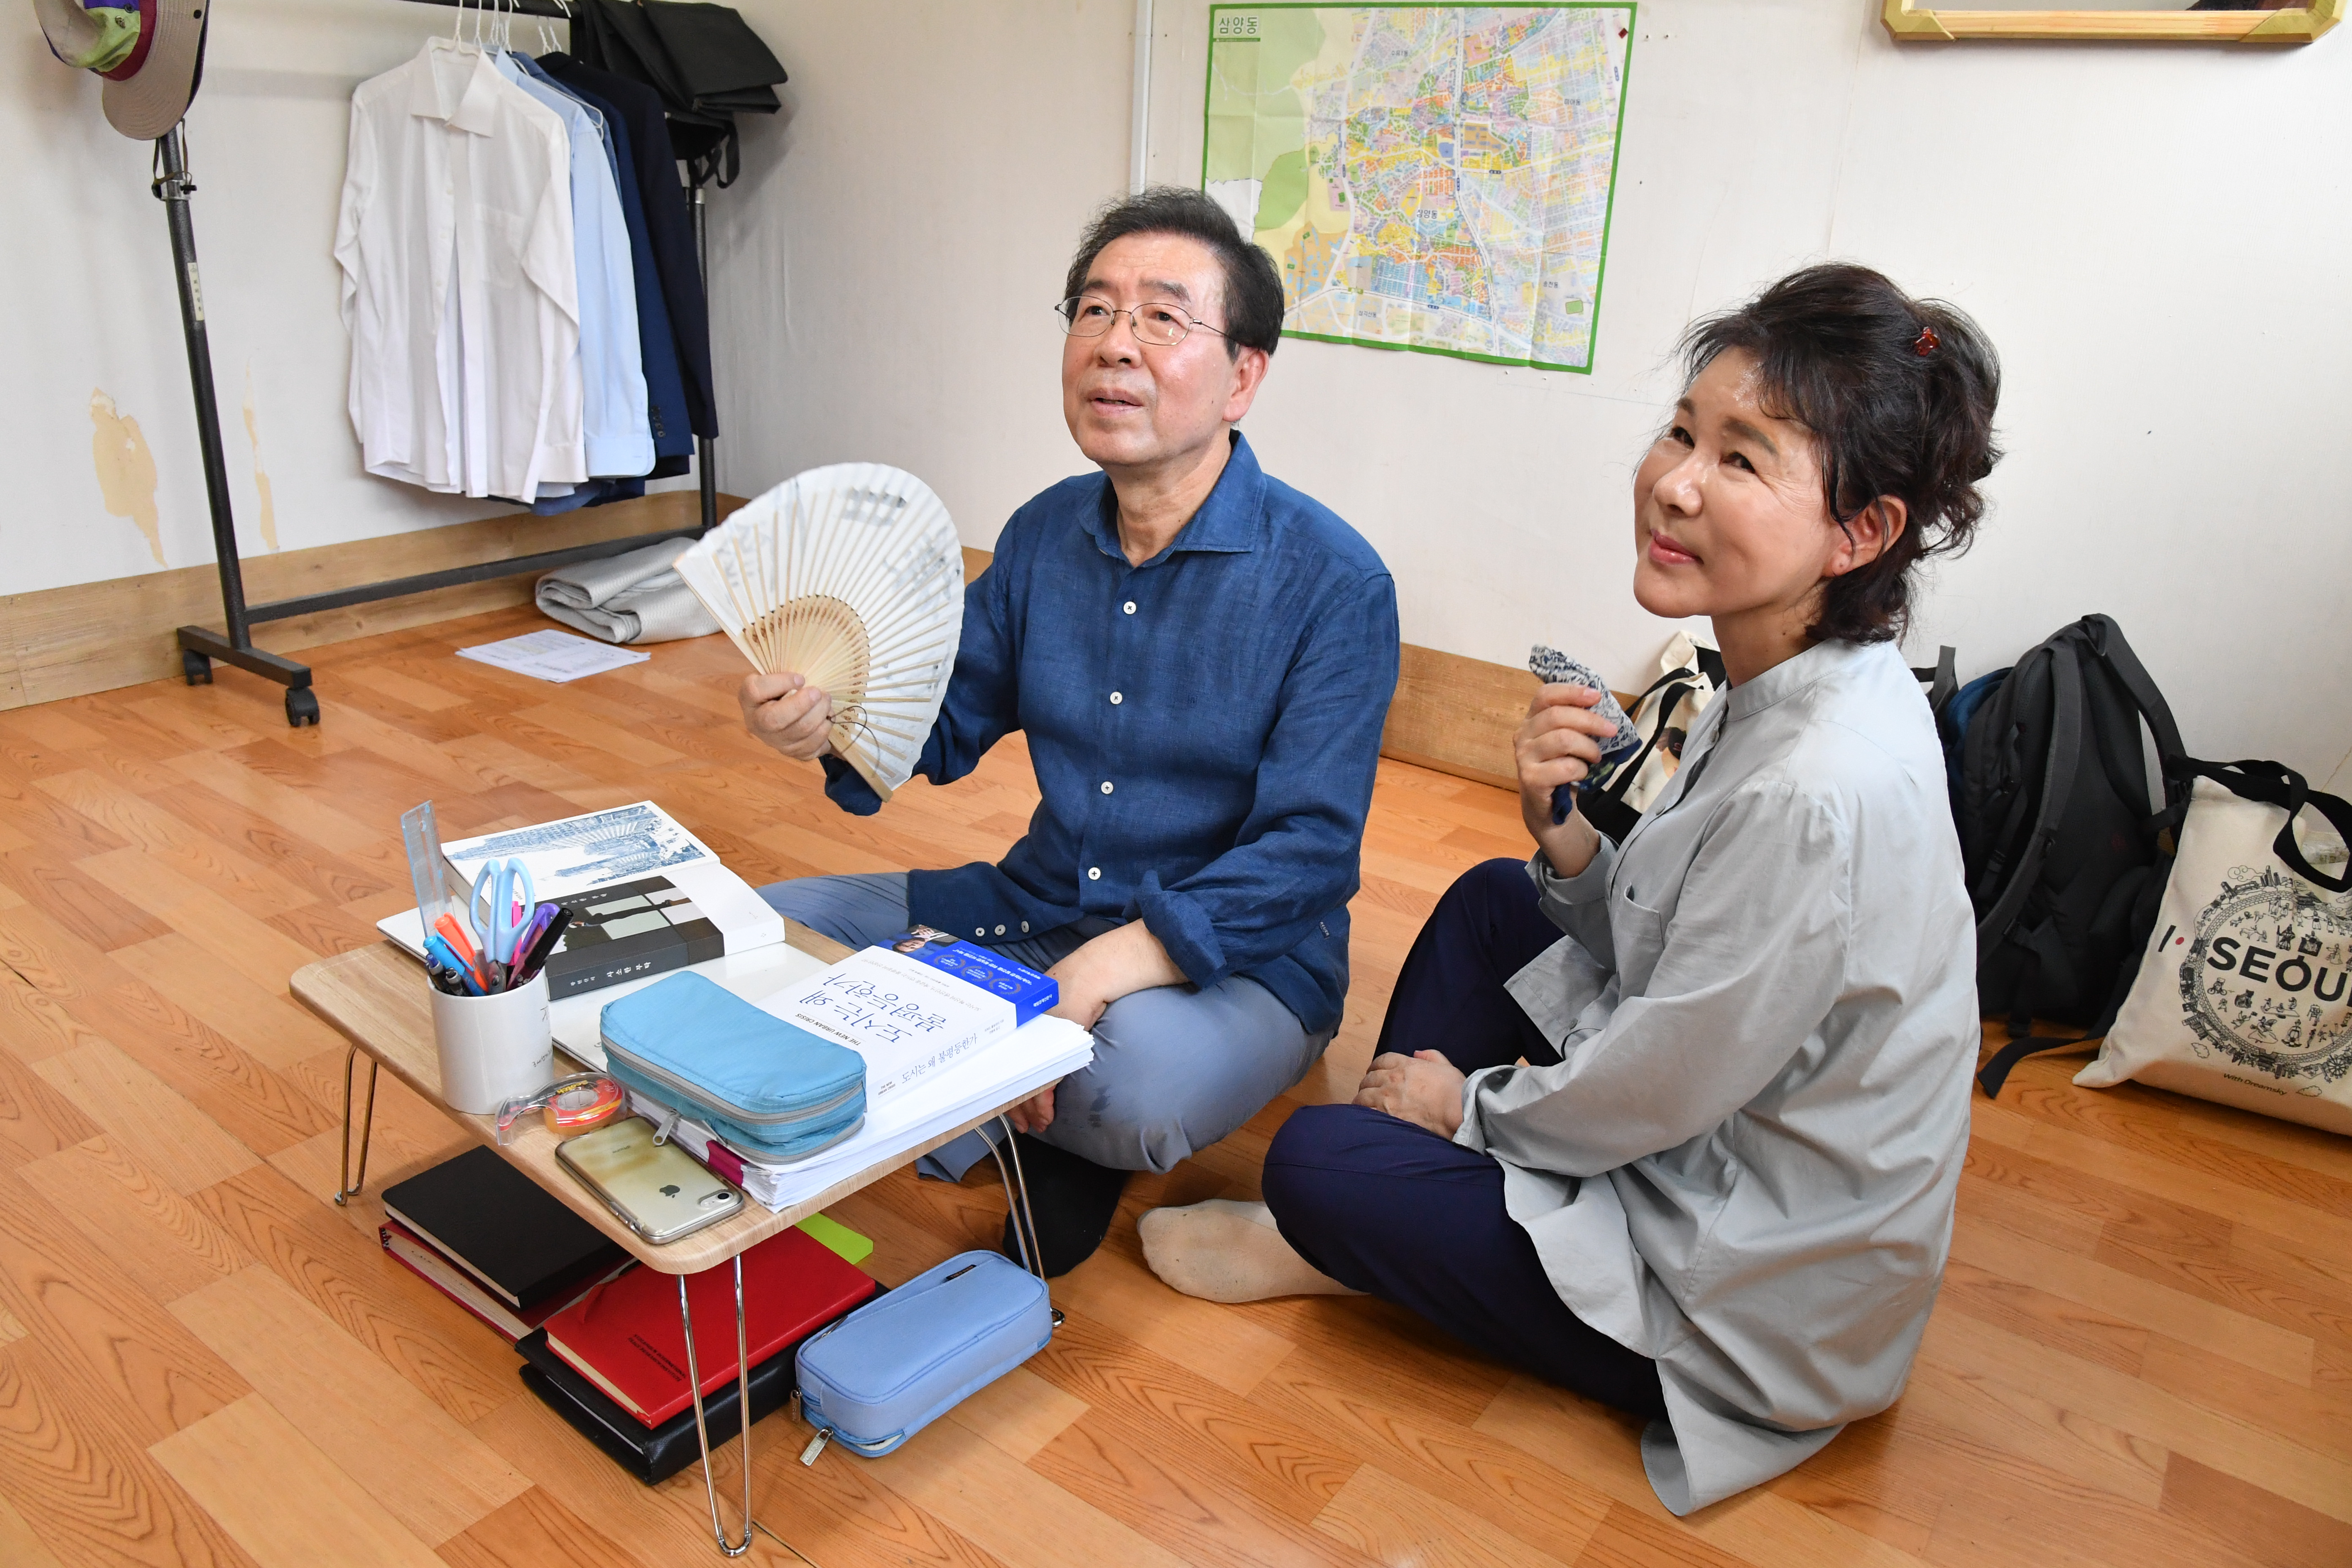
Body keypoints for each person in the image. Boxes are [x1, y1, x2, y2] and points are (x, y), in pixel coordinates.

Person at [1141, 264, 1998, 1514]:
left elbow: (1665, 1077)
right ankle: (1392, 1212)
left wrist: (1466, 1110)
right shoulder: (1787, 672)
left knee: (1315, 1162)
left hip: (1742, 1296)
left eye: (1744, 460)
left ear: (1860, 532)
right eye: (1684, 432)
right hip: (1712, 1132)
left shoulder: (1819, 784)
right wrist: (1571, 846)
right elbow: (1679, 939)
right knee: (1502, 897)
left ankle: (1363, 1228)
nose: (1677, 482)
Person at [740, 187, 1399, 1276]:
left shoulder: (1334, 582)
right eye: (1094, 311)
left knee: (1133, 1090)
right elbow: (942, 722)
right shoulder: (1044, 531)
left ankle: (1003, 1087)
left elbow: (1311, 853)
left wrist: (1103, 972)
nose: (1115, 345)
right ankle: (1003, 1081)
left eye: (1162, 318)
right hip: (1041, 907)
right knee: (758, 943)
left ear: (1243, 376)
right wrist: (824, 723)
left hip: (1236, 959)